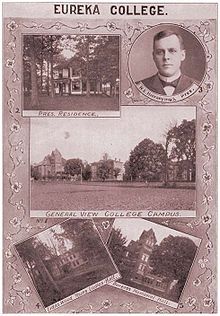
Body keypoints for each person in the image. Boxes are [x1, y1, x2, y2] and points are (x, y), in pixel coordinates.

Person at [137, 30, 197, 96]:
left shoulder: (198, 88)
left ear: (182, 55)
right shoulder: (137, 88)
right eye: (160, 52)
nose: (166, 57)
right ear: (154, 57)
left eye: (172, 51)